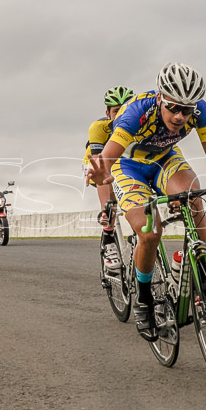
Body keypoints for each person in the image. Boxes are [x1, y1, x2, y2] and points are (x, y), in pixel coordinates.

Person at [85, 63, 206, 341]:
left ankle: (204, 278)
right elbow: (111, 153)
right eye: (173, 107)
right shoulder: (137, 111)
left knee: (194, 196)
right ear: (161, 98)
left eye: (187, 110)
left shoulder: (199, 111)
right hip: (129, 166)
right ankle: (145, 298)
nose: (180, 116)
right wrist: (100, 169)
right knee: (149, 233)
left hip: (164, 160)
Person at [83, 85, 135, 273]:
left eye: (126, 109)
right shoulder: (99, 127)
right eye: (116, 111)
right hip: (97, 161)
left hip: (124, 162)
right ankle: (108, 234)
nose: (121, 115)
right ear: (107, 112)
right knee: (104, 179)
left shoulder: (138, 123)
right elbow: (101, 166)